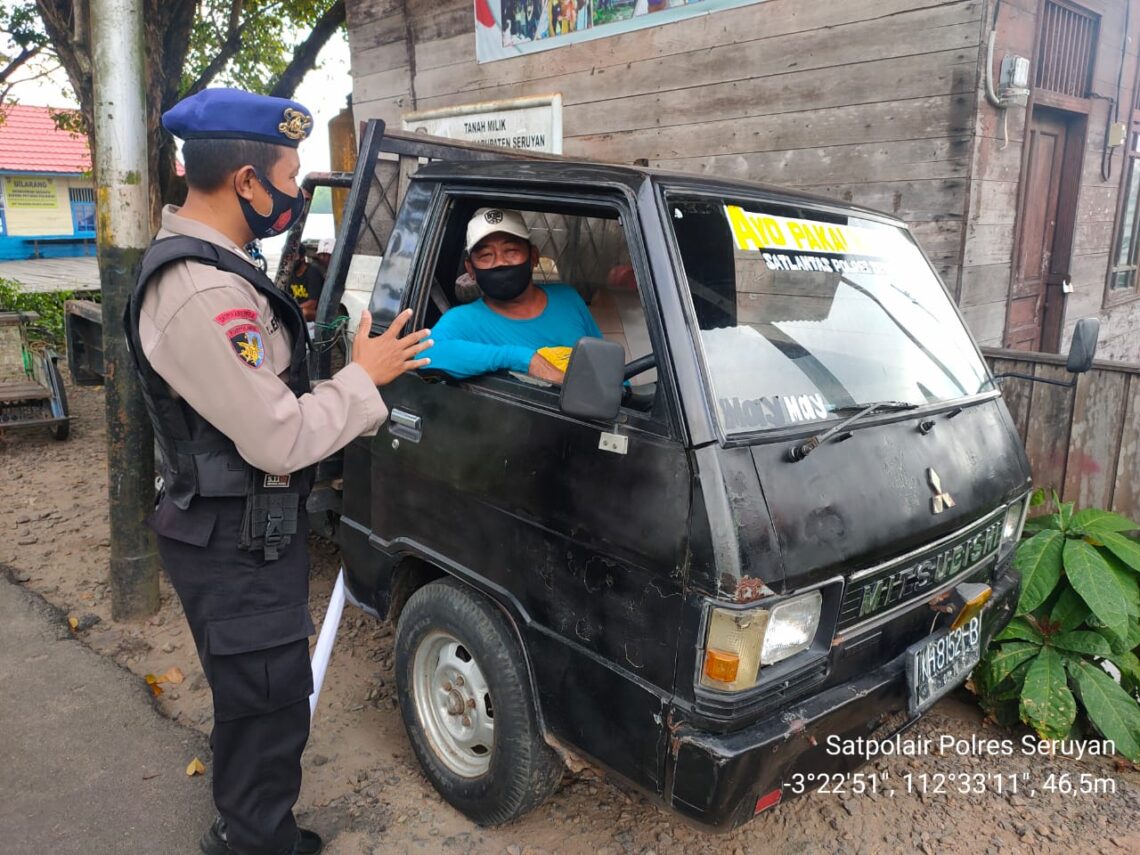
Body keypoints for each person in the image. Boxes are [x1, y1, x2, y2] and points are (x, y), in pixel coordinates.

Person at [124, 87, 432, 855]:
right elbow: (278, 435)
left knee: (260, 693)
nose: (298, 193)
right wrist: (365, 375)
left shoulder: (223, 264)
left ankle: (249, 823)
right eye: (292, 176)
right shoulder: (199, 290)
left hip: (244, 529)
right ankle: (256, 841)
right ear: (246, 183)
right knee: (266, 700)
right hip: (233, 537)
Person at [421, 207, 602, 382]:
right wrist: (522, 358)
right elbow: (425, 356)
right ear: (470, 269)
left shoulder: (567, 298)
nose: (500, 262)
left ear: (533, 257)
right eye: (485, 255)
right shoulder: (462, 319)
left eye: (511, 251)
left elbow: (603, 365)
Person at [288, 244, 324, 321]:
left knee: (304, 313)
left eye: (295, 256)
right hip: (299, 308)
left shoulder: (313, 272)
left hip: (315, 312)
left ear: (302, 257)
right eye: (290, 256)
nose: (291, 260)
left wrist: (293, 309)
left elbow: (312, 303)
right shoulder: (290, 275)